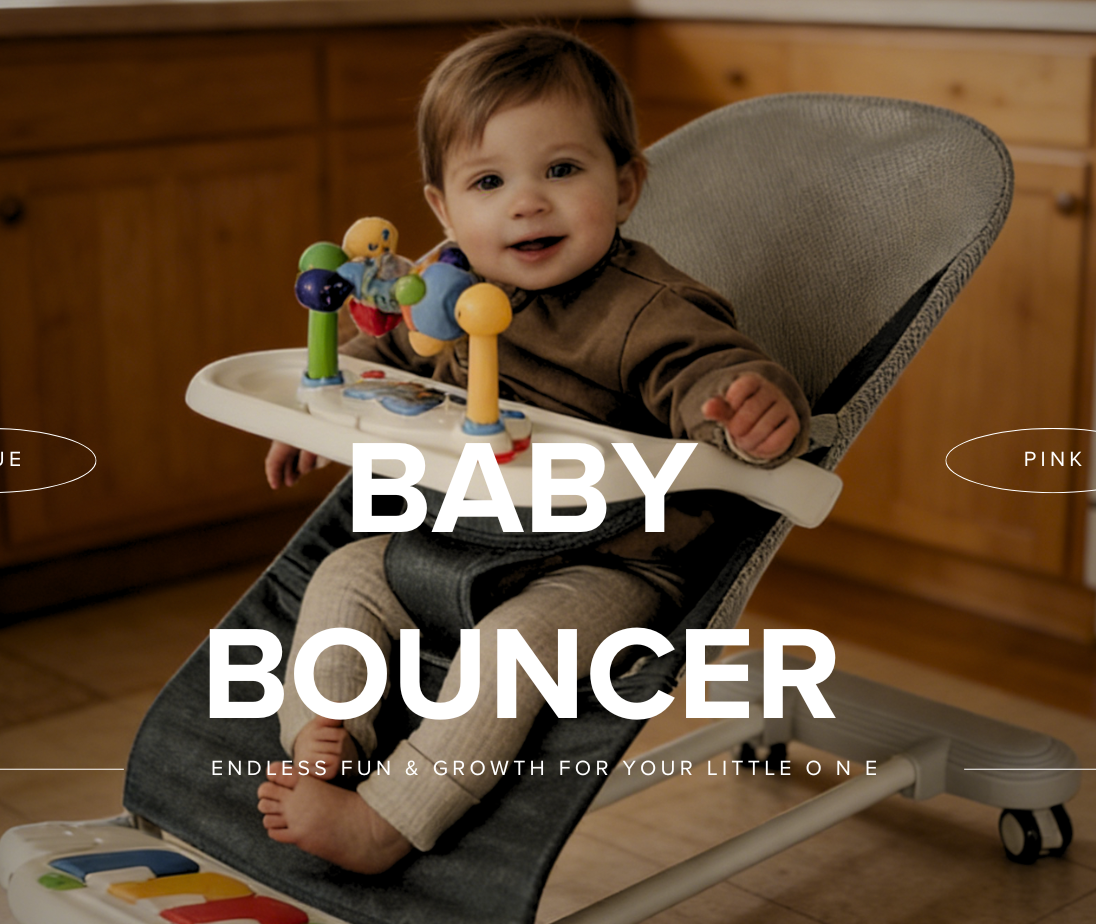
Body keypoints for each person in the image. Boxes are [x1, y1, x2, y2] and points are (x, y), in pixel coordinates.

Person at [256, 25, 812, 874]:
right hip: (461, 533)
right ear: (443, 208)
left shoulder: (645, 306)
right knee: (343, 580)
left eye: (562, 170)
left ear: (625, 186)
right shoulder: (444, 288)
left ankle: (389, 820)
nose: (527, 202)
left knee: (512, 650)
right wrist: (317, 411)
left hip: (608, 558)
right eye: (489, 180)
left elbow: (711, 370)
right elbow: (385, 359)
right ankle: (320, 739)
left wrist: (748, 408)